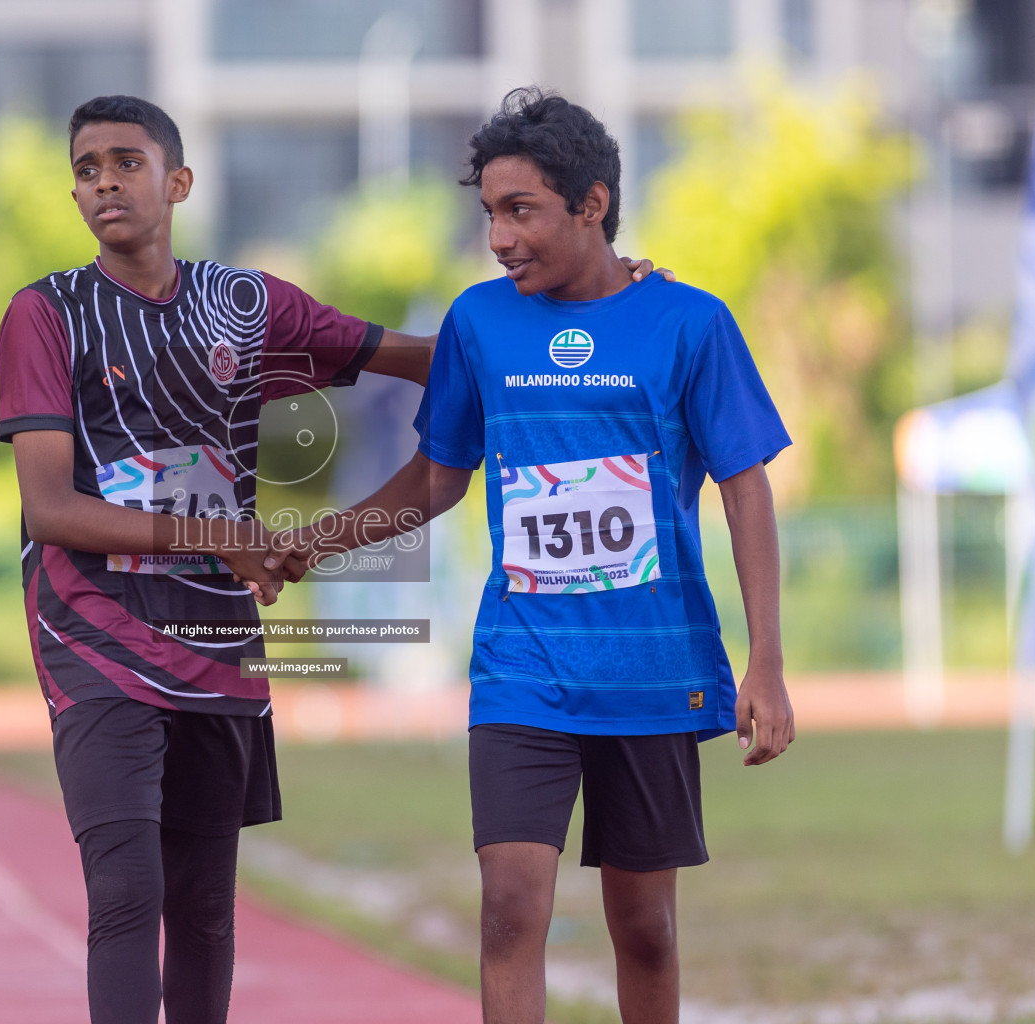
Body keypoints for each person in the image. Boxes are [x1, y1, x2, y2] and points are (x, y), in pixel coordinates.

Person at [0, 93, 666, 1024]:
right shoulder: (45, 315)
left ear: (179, 181)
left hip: (213, 637)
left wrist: (605, 302)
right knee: (125, 893)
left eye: (126, 162)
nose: (104, 181)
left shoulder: (247, 304)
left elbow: (429, 357)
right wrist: (219, 535)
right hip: (94, 636)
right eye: (85, 169)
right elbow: (48, 505)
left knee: (203, 906)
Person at [267, 88, 796, 1024]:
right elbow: (438, 476)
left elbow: (743, 484)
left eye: (522, 212)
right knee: (509, 911)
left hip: (651, 667)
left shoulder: (690, 323)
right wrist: (314, 543)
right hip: (522, 668)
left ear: (591, 204)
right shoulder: (480, 323)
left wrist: (766, 662)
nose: (500, 238)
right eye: (489, 216)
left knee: (645, 928)